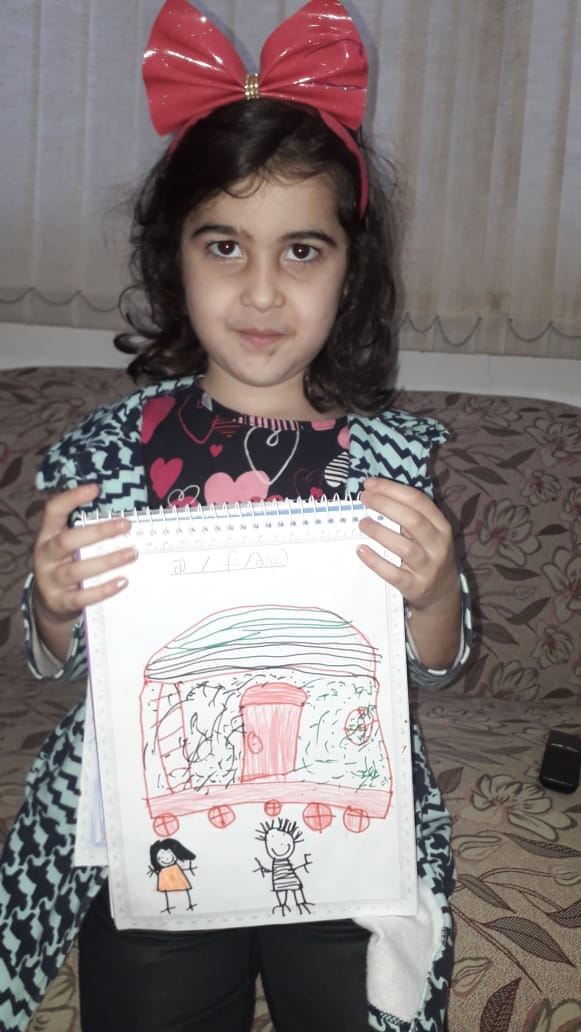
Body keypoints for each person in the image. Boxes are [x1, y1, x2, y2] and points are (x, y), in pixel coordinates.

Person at [0, 1, 473, 1030]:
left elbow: (434, 663)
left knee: (353, 1001)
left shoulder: (385, 463)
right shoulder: (113, 452)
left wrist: (434, 592)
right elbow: (63, 662)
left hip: (342, 843)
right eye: (224, 246)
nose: (261, 292)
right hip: (154, 832)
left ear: (348, 271)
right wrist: (52, 607)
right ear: (173, 256)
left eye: (301, 251)